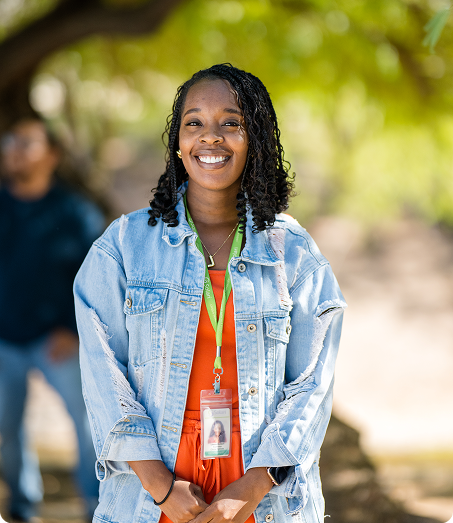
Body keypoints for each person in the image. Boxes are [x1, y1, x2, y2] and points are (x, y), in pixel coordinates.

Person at [74, 64, 346, 523]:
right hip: (151, 497)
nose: (210, 137)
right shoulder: (124, 246)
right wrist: (161, 489)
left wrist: (248, 491)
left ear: (254, 138)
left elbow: (312, 387)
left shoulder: (294, 254)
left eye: (231, 123)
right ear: (178, 143)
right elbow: (102, 374)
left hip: (265, 500)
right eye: (194, 122)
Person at [0, 118, 104, 522]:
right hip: (5, 340)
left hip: (59, 340)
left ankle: (98, 506)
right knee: (7, 432)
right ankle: (24, 508)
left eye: (26, 142)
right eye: (9, 140)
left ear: (52, 155)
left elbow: (98, 276)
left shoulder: (75, 212)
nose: (14, 149)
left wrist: (71, 327)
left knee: (86, 423)